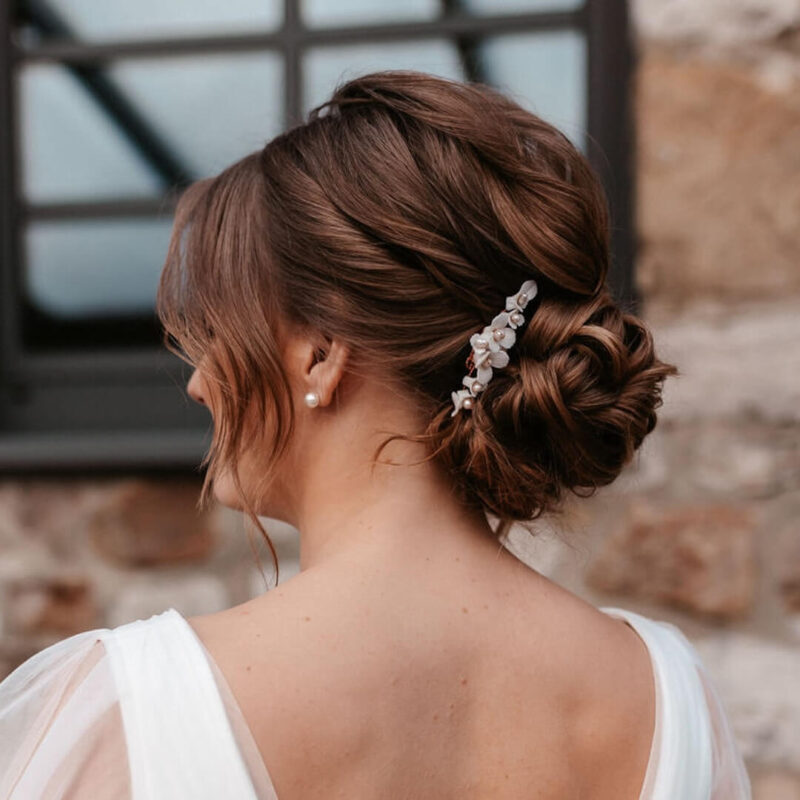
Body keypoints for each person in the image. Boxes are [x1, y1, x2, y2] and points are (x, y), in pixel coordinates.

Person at [0, 70, 751, 799]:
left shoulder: (132, 710)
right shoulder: (668, 700)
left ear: (322, 354)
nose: (198, 383)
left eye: (215, 337)